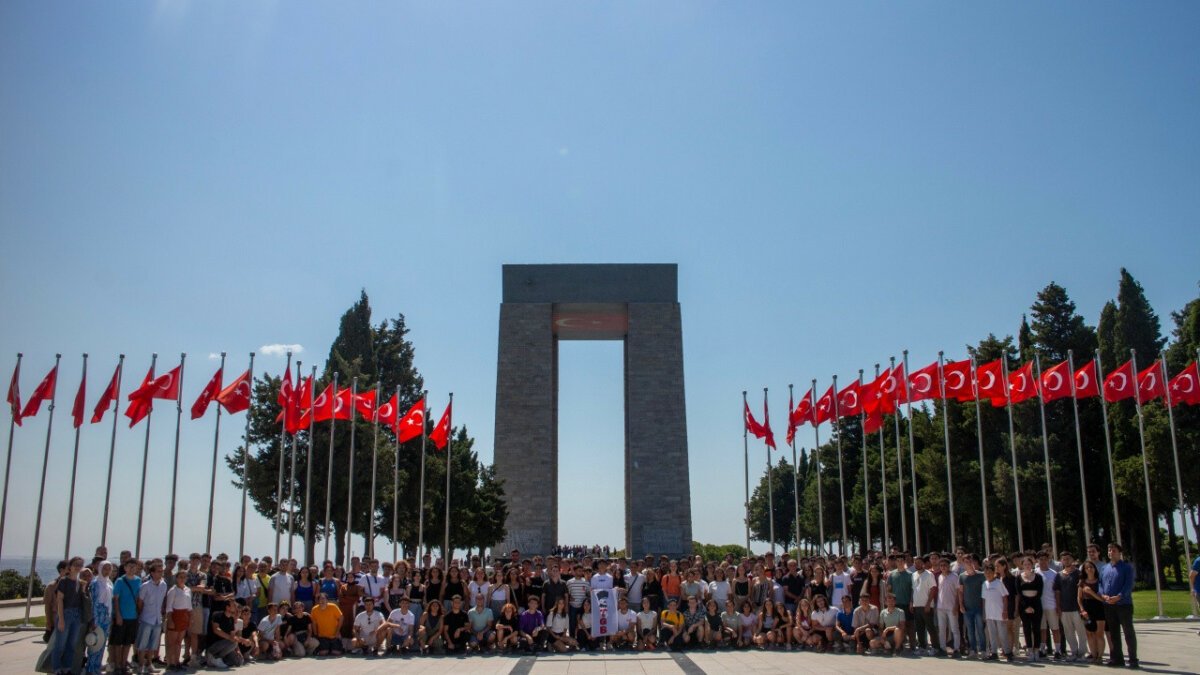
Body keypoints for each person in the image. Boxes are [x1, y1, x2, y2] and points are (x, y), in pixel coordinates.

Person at [1098, 542, 1137, 668]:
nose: (1111, 552)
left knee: (1128, 632)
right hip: (1108, 605)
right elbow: (1100, 584)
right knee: (1113, 632)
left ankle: (1132, 659)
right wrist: (1103, 595)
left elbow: (1128, 585)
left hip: (1123, 605)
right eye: (1109, 550)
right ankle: (1118, 658)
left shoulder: (1127, 567)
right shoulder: (1105, 568)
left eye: (1113, 550)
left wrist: (1119, 596)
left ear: (1120, 553)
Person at [51, 557, 86, 675]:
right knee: (60, 644)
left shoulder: (80, 583)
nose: (78, 567)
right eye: (75, 564)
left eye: (80, 565)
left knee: (71, 644)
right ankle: (56, 668)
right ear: (69, 567)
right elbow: (59, 600)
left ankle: (67, 667)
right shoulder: (64, 581)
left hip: (77, 614)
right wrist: (61, 619)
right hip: (66, 613)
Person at [110, 559, 142, 675]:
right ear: (125, 568)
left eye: (134, 567)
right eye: (130, 566)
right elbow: (116, 599)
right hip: (121, 616)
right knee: (118, 643)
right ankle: (118, 665)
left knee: (128, 642)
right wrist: (118, 614)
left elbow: (139, 598)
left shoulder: (139, 581)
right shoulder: (120, 581)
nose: (132, 569)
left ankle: (124, 664)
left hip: (133, 616)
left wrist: (139, 613)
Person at [135, 561, 167, 674]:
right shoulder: (145, 586)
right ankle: (140, 665)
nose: (160, 573)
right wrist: (140, 614)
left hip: (158, 618)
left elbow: (163, 600)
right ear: (152, 573)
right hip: (146, 618)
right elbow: (140, 602)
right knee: (143, 644)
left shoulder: (164, 584)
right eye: (158, 571)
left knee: (153, 644)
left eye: (161, 571)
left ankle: (149, 664)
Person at [1056, 551, 1087, 662]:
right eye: (1064, 559)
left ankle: (1082, 653)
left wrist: (1082, 607)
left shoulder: (1079, 573)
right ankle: (1073, 652)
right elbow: (1057, 592)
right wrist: (1058, 607)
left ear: (1072, 559)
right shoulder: (1059, 575)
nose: (1066, 561)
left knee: (1081, 632)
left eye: (1068, 558)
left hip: (1076, 608)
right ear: (1061, 561)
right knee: (1068, 632)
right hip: (1064, 608)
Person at [86, 561, 114, 675]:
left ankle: (96, 668)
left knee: (102, 644)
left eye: (109, 569)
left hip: (106, 616)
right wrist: (94, 620)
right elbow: (93, 602)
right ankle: (91, 669)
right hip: (98, 615)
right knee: (95, 644)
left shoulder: (109, 583)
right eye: (105, 568)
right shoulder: (95, 583)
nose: (107, 571)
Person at [980, 562, 1011, 661]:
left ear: (993, 572)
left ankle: (1007, 652)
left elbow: (1005, 597)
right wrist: (984, 613)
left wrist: (1005, 610)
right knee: (991, 634)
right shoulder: (984, 584)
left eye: (989, 572)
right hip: (989, 613)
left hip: (999, 612)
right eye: (986, 572)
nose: (988, 574)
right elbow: (984, 599)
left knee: (1002, 634)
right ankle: (994, 652)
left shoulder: (998, 583)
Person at [1035, 551, 1063, 659]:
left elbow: (1057, 592)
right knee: (1042, 629)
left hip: (1052, 605)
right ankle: (1042, 649)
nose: (1042, 561)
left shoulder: (1054, 574)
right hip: (1039, 606)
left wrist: (1058, 606)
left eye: (1044, 559)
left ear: (1048, 560)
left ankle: (1058, 650)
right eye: (1040, 559)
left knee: (1055, 629)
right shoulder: (1035, 573)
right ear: (1037, 561)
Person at [1079, 560, 1106, 664]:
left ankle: (1100, 656)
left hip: (1099, 607)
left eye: (1091, 567)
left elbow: (1102, 599)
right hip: (1087, 608)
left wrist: (1091, 592)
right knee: (1090, 633)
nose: (1089, 569)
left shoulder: (1099, 581)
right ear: (1084, 570)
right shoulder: (1082, 582)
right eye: (1087, 568)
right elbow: (1079, 598)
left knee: (1099, 633)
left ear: (1095, 568)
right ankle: (1094, 655)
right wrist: (1082, 610)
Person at [1017, 556, 1044, 661]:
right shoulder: (1019, 577)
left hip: (1036, 605)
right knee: (1026, 629)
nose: (1027, 566)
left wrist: (1032, 606)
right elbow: (1019, 593)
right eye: (1025, 564)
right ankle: (1029, 650)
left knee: (1036, 628)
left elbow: (1040, 592)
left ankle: (1036, 650)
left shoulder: (1038, 577)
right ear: (1022, 566)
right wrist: (1026, 606)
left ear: (1032, 565)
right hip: (1024, 606)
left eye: (1029, 564)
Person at [207, 600, 247, 668]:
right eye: (234, 605)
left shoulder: (231, 619)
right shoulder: (217, 614)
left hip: (225, 645)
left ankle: (220, 659)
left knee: (239, 661)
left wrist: (243, 641)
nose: (236, 607)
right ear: (227, 607)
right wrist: (230, 638)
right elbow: (216, 630)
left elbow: (233, 635)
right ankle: (214, 658)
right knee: (233, 642)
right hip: (214, 645)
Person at [934, 557, 961, 657]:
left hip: (951, 606)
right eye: (941, 565)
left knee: (954, 629)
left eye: (945, 565)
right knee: (942, 629)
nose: (943, 567)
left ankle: (957, 649)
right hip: (941, 607)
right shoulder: (939, 576)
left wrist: (956, 606)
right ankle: (942, 648)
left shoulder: (954, 576)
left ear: (949, 566)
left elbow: (958, 592)